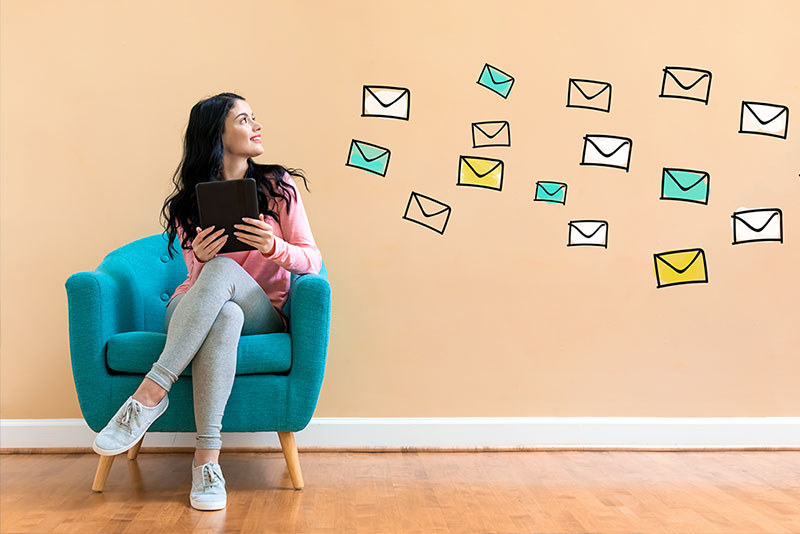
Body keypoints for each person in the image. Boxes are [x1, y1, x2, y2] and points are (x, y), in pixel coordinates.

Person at [91, 92, 322, 511]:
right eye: (245, 119)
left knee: (227, 283)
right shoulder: (189, 203)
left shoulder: (278, 186)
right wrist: (198, 256)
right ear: (218, 132)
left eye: (255, 118)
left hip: (263, 312)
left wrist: (274, 247)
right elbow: (194, 283)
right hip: (195, 306)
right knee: (224, 312)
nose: (257, 126)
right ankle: (207, 462)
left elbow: (312, 259)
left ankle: (148, 395)